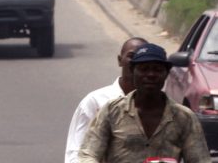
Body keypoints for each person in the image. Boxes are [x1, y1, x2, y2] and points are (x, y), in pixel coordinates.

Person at [77, 43, 210, 163]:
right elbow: (88, 154)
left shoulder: (184, 117)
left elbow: (200, 159)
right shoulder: (112, 111)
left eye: (157, 69)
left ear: (166, 74)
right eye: (144, 69)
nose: (151, 74)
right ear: (133, 71)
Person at [64, 37, 148, 163]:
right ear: (120, 60)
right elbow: (76, 151)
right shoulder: (95, 101)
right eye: (131, 56)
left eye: (143, 58)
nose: (136, 62)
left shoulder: (161, 105)